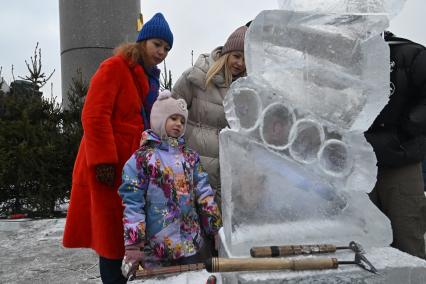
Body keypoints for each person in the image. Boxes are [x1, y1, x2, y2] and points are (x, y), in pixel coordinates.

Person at [62, 13, 173, 284]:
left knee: (128, 236)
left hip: (132, 168)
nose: (161, 52)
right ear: (143, 41)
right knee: (112, 241)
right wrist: (103, 162)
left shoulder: (149, 79)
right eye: (157, 44)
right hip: (108, 168)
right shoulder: (115, 67)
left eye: (166, 49)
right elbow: (93, 114)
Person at [118, 91, 222, 278]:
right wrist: (134, 245)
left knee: (192, 279)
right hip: (157, 247)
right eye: (173, 118)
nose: (178, 124)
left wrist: (214, 229)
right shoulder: (143, 159)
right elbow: (133, 204)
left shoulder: (190, 157)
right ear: (159, 119)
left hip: (191, 243)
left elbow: (204, 193)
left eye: (182, 121)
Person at [172, 25, 248, 210]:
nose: (240, 63)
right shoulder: (197, 76)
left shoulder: (246, 90)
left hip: (225, 169)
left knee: (216, 225)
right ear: (226, 53)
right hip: (193, 163)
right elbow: (173, 110)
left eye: (246, 59)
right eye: (237, 56)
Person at [365, 31, 426, 259]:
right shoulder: (345, 58)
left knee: (407, 239)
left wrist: (403, 132)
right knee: (366, 245)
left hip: (401, 162)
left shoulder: (410, 53)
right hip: (359, 166)